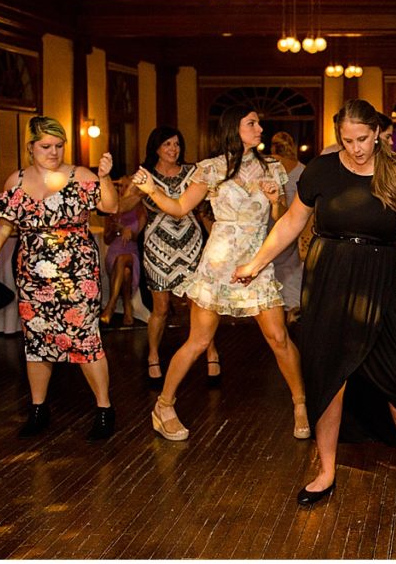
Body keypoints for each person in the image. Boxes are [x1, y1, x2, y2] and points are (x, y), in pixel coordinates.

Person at [234, 99, 396, 505]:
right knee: (329, 376)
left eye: (364, 138)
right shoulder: (321, 169)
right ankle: (326, 468)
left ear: (378, 132)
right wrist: (256, 262)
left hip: (376, 279)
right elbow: (292, 222)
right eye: (348, 140)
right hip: (327, 277)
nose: (356, 148)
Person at [132, 106, 308, 442]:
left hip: (256, 262)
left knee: (279, 338)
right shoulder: (210, 168)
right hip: (218, 264)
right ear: (234, 128)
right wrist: (152, 190)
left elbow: (283, 218)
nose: (260, 128)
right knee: (198, 341)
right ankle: (164, 406)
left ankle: (300, 404)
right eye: (252, 123)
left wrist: (275, 202)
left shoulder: (272, 167)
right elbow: (181, 207)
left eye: (258, 123)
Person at [0, 116, 119, 440]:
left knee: (85, 338)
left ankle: (104, 408)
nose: (53, 152)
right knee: (37, 342)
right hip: (33, 273)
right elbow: (3, 223)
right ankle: (38, 408)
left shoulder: (80, 175)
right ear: (30, 147)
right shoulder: (16, 181)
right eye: (46, 146)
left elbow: (109, 206)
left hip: (78, 272)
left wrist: (105, 177)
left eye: (59, 146)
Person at [125, 127, 215, 385]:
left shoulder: (192, 173)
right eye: (167, 144)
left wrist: (215, 243)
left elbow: (205, 212)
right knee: (161, 308)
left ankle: (211, 350)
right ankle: (153, 355)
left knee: (199, 305)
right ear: (156, 148)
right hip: (158, 246)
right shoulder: (145, 176)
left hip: (191, 243)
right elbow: (121, 206)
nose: (174, 149)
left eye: (177, 144)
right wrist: (116, 185)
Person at [269, 131, 306, 320]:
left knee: (274, 266)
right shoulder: (302, 169)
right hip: (297, 225)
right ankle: (292, 309)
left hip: (275, 223)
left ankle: (277, 308)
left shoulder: (271, 166)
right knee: (293, 268)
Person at [99, 177, 146, 327]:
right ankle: (127, 308)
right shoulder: (113, 209)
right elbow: (106, 239)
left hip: (132, 252)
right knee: (125, 272)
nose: (124, 189)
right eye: (123, 186)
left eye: (128, 186)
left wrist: (129, 232)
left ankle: (111, 304)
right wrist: (115, 229)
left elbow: (139, 236)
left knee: (123, 259)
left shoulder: (140, 209)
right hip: (115, 250)